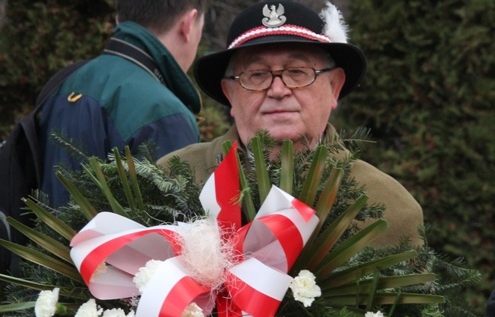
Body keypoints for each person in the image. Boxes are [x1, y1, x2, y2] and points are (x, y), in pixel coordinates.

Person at [158, 0, 424, 248]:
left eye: (297, 72)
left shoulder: (388, 208)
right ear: (229, 93)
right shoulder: (169, 179)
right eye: (257, 74)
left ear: (334, 87)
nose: (278, 90)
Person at [38, 0, 206, 208]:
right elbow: (176, 230)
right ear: (188, 25)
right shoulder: (165, 113)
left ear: (119, 20)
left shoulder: (65, 82)